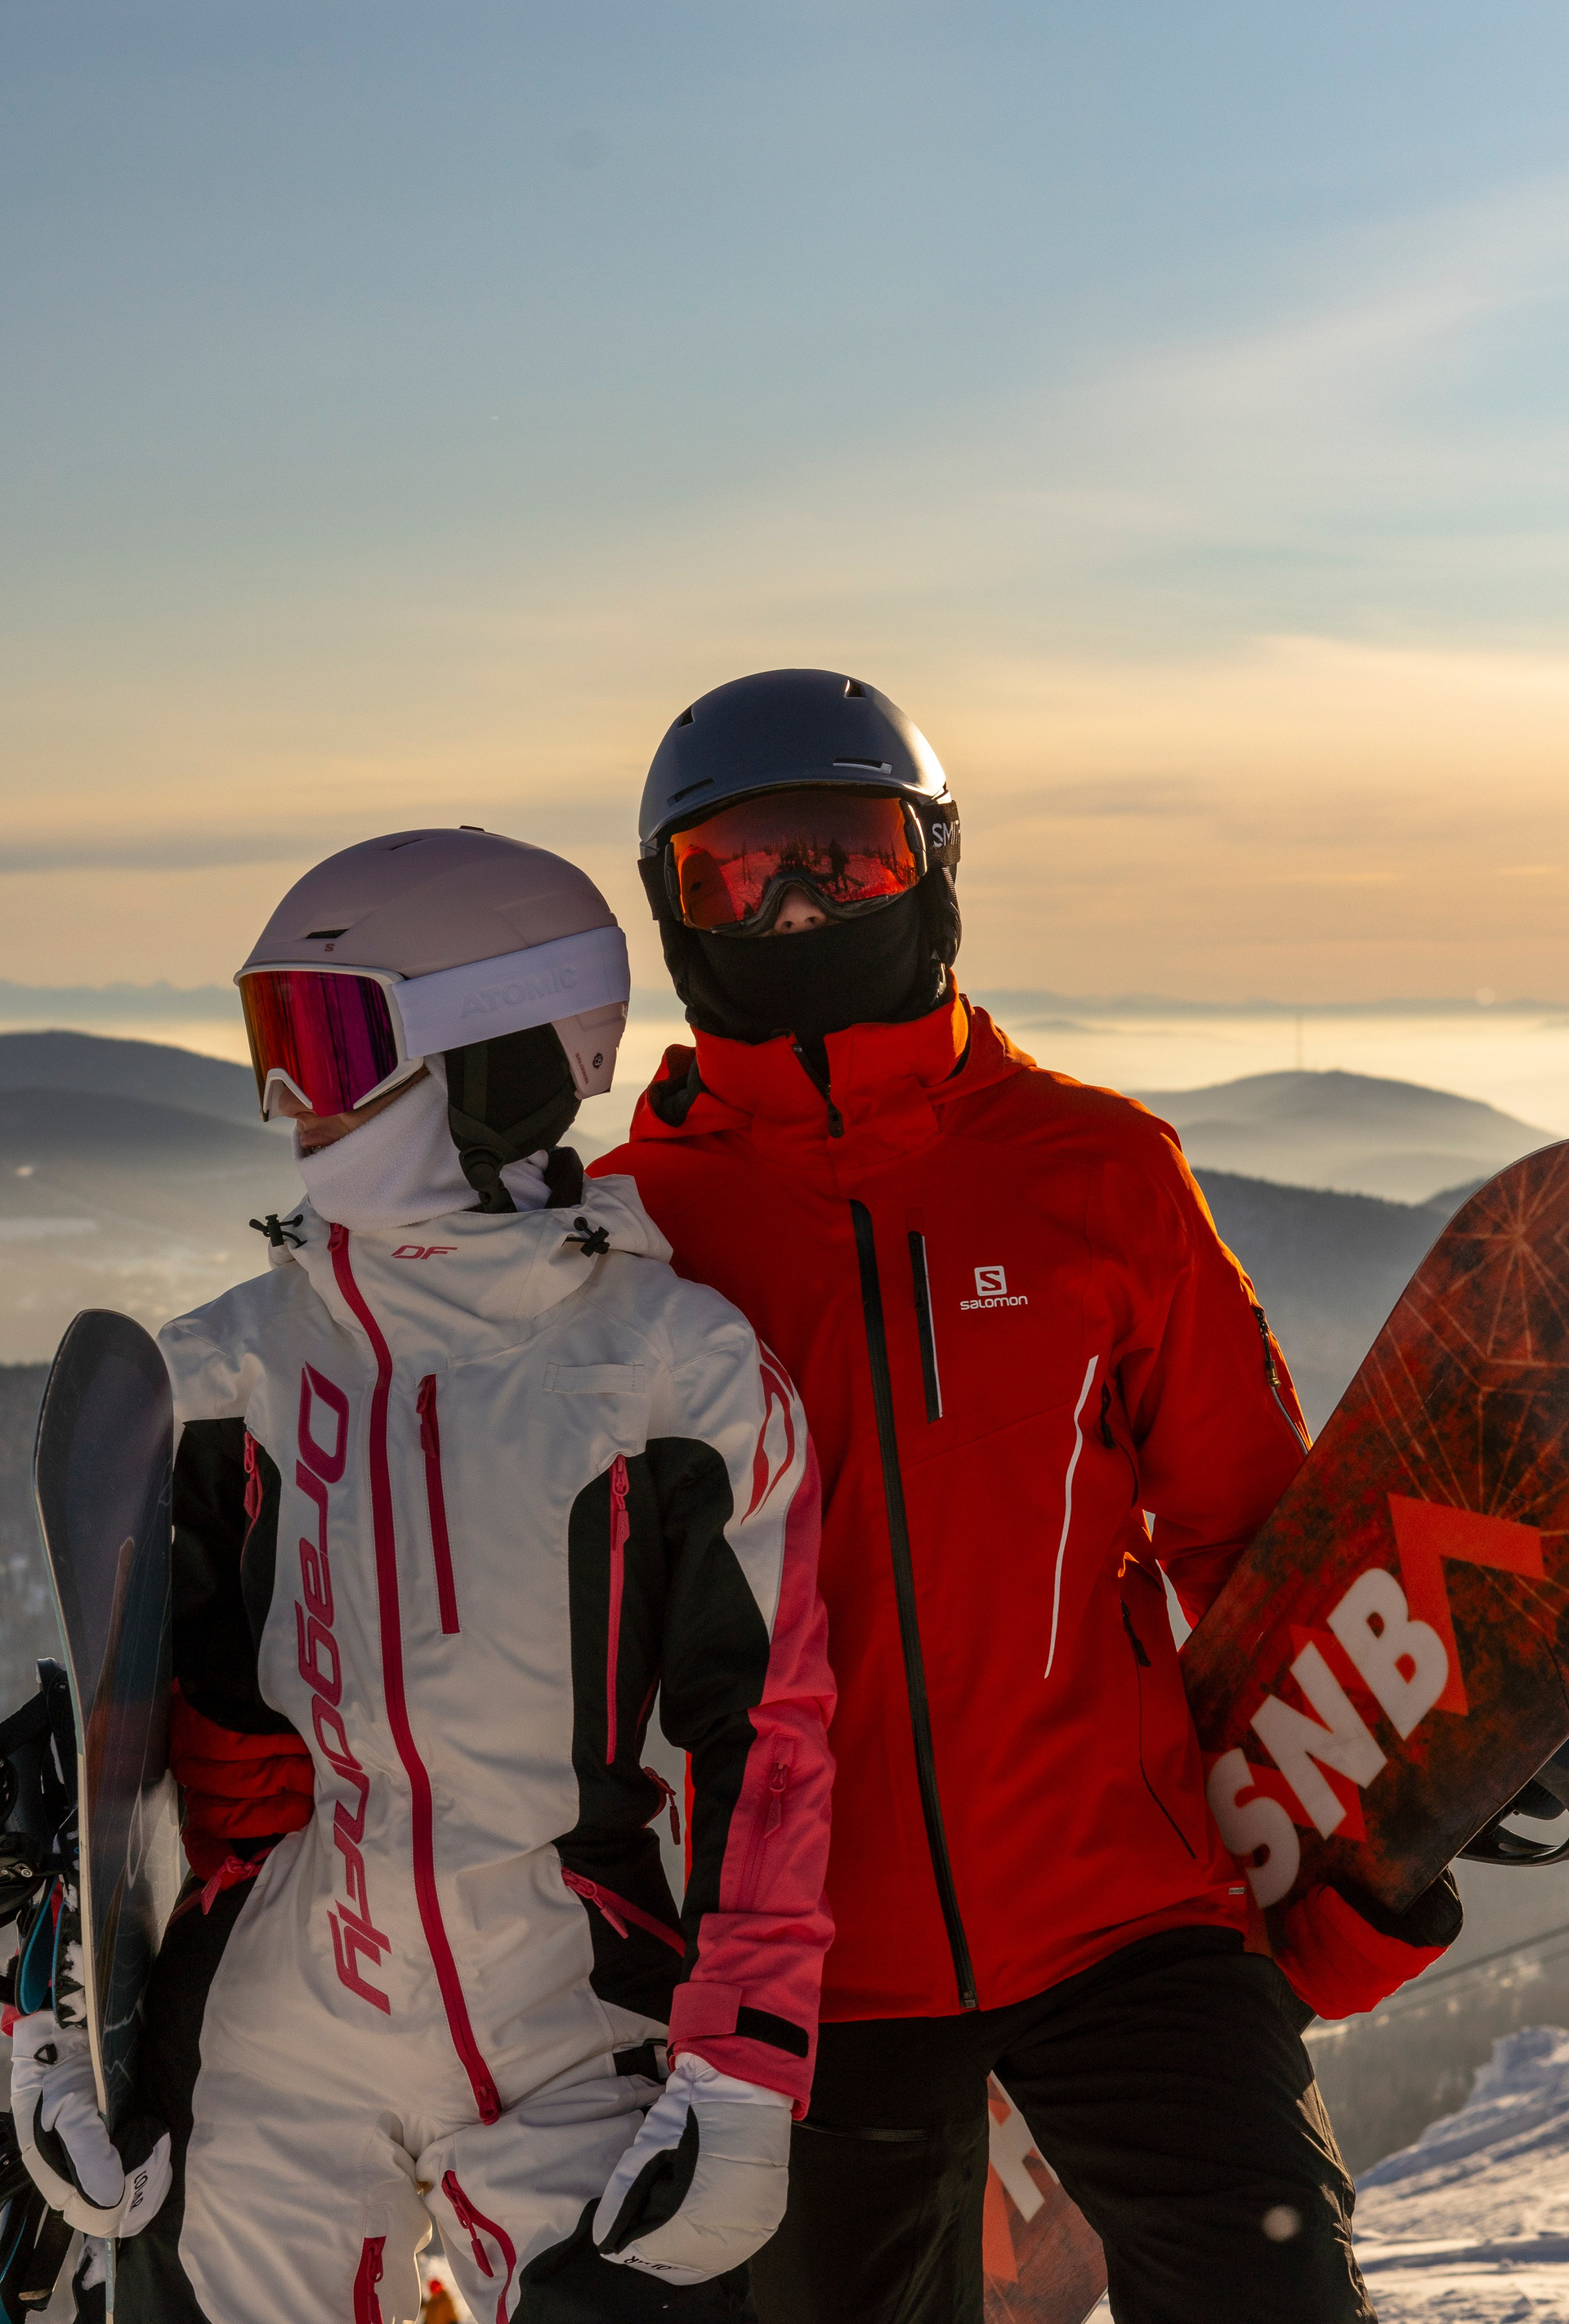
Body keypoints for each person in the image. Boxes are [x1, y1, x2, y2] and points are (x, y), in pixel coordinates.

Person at [592, 670, 1462, 2324]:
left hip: (1125, 1916)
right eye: (737, 872)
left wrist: (1432, 1772)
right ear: (674, 909)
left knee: (1280, 2297)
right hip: (806, 1970)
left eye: (845, 855)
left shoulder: (1096, 1173)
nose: (795, 906)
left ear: (932, 862)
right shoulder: (632, 1240)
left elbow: (1253, 1544)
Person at [11, 828, 834, 2324]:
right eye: (273, 1044)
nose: (292, 1098)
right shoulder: (225, 1375)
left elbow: (765, 1738)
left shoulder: (671, 1373)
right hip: (282, 2010)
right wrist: (66, 2009)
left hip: (569, 2008)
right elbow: (138, 1746)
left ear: (496, 1055)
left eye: (332, 1043)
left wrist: (744, 2059)